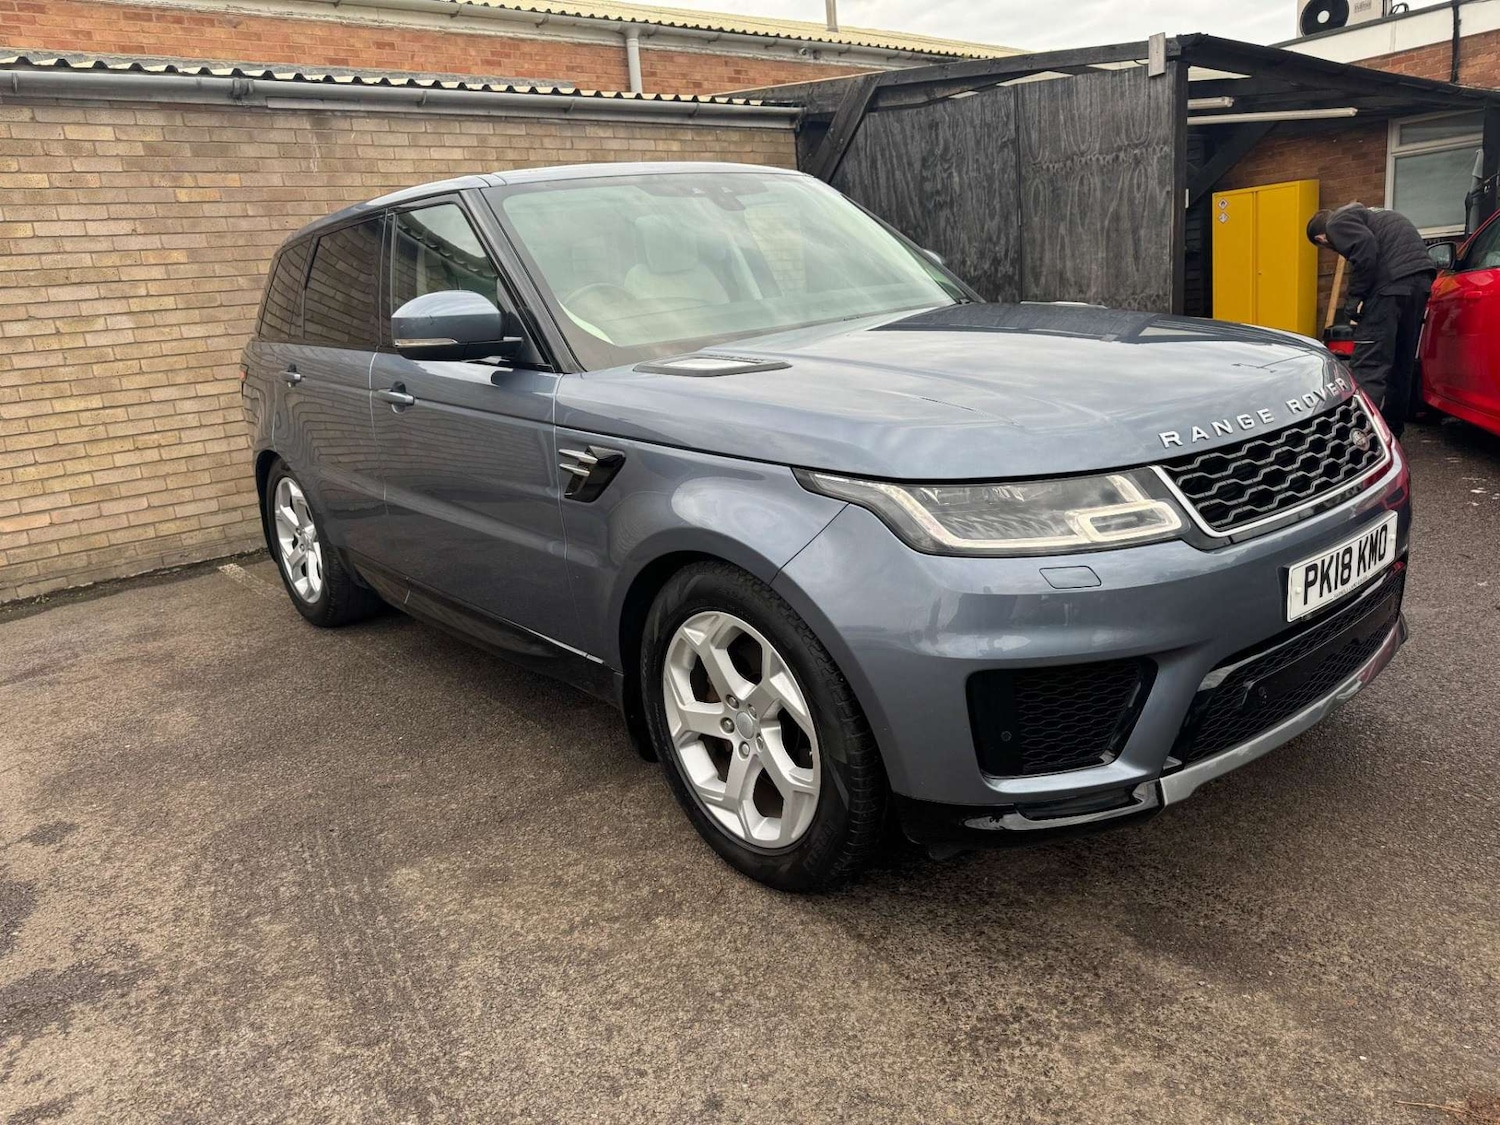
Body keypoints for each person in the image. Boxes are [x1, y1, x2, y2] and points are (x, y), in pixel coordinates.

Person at [1307, 203, 1436, 438]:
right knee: (1400, 362)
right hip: (1420, 282)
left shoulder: (1336, 222)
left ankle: (1358, 434)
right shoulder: (1375, 214)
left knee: (1370, 363)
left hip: (1390, 286)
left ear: (1321, 238)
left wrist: (1356, 297)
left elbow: (1365, 249)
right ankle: (1392, 430)